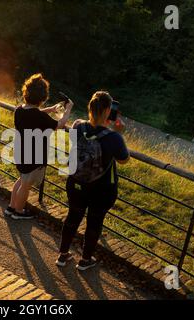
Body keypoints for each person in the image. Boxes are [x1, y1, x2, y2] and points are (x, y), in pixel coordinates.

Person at [56, 91, 130, 271]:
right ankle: (85, 260)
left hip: (76, 183)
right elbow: (123, 159)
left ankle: (63, 255)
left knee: (73, 216)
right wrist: (117, 132)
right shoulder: (114, 137)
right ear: (107, 111)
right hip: (102, 189)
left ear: (89, 108)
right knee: (94, 222)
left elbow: (79, 138)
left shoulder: (77, 126)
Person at [4, 74, 73, 220]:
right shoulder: (39, 116)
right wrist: (68, 110)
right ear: (43, 97)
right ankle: (18, 212)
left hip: (20, 152)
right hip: (33, 155)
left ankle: (11, 207)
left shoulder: (19, 109)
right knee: (26, 185)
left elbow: (35, 113)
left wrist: (51, 109)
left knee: (22, 179)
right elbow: (59, 125)